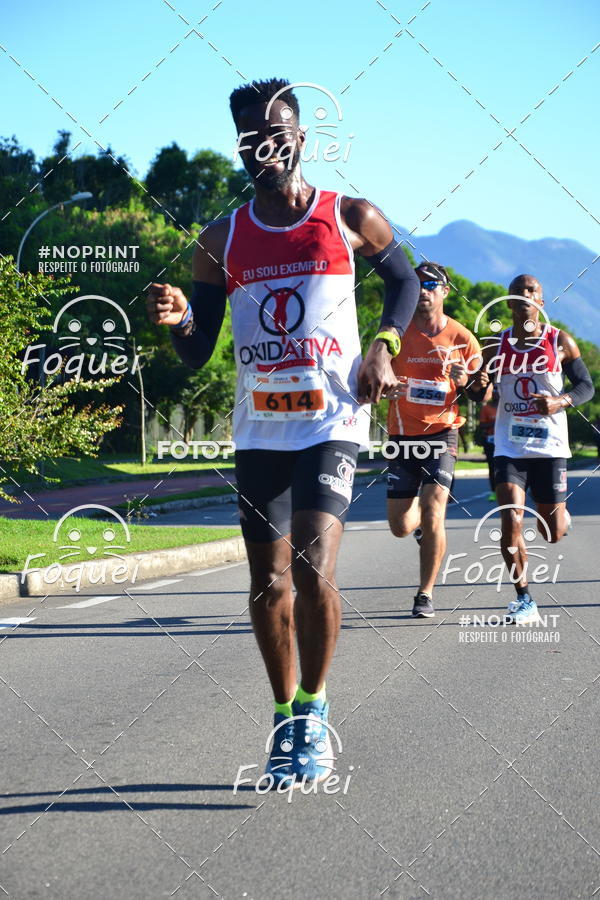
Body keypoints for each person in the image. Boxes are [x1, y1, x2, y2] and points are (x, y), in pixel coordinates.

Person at [146, 78, 420, 786]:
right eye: (248, 138)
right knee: (268, 584)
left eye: (275, 134)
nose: (262, 148)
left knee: (310, 566)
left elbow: (406, 282)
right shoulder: (220, 240)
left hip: (332, 420)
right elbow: (196, 348)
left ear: (300, 139)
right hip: (261, 429)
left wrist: (385, 343)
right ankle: (285, 716)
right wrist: (179, 318)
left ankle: (317, 708)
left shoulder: (349, 215)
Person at [469, 273, 594, 624]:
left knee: (551, 533)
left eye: (532, 291)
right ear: (509, 303)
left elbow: (586, 386)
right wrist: (476, 385)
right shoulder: (495, 346)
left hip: (550, 447)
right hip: (509, 447)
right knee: (511, 516)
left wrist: (560, 401)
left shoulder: (560, 342)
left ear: (540, 301)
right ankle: (524, 598)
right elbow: (479, 394)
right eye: (518, 292)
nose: (526, 296)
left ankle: (560, 516)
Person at [385, 262, 482, 618]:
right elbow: (372, 377)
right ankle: (424, 530)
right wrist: (386, 387)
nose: (423, 290)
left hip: (443, 433)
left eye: (430, 284)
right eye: (417, 284)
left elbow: (482, 395)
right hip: (402, 434)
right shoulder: (395, 332)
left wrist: (466, 381)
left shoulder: (462, 338)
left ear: (445, 291)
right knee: (399, 526)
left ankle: (424, 593)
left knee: (433, 509)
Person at [478, 385, 498, 500]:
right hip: (490, 441)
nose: (495, 393)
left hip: (505, 441)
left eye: (497, 391)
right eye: (493, 391)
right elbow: (482, 425)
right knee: (492, 467)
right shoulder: (486, 408)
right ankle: (494, 492)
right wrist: (496, 423)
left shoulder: (505, 407)